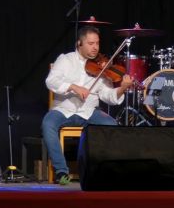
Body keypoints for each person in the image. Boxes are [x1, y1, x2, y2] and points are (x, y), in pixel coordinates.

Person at [42, 26, 134, 185]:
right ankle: (62, 172)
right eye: (91, 43)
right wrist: (73, 87)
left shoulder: (102, 65)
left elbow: (108, 96)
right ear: (79, 43)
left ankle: (106, 170)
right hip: (64, 109)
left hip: (89, 111)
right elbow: (51, 81)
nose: (95, 47)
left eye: (97, 43)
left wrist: (123, 87)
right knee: (48, 124)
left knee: (112, 125)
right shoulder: (65, 60)